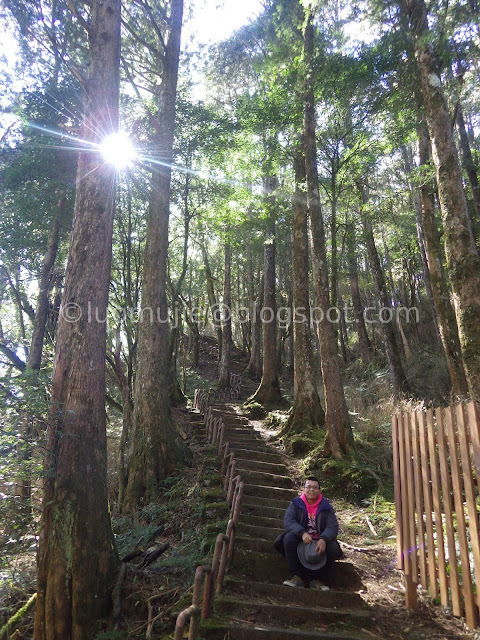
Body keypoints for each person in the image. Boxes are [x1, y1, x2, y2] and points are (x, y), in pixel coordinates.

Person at [275, 476, 342, 589]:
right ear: (304, 489)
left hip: (319, 539)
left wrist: (324, 539)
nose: (311, 490)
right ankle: (297, 577)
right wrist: (302, 533)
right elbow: (289, 521)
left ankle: (318, 580)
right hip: (302, 538)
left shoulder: (326, 507)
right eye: (308, 487)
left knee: (333, 548)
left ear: (319, 490)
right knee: (288, 538)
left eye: (315, 487)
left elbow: (332, 526)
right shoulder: (296, 503)